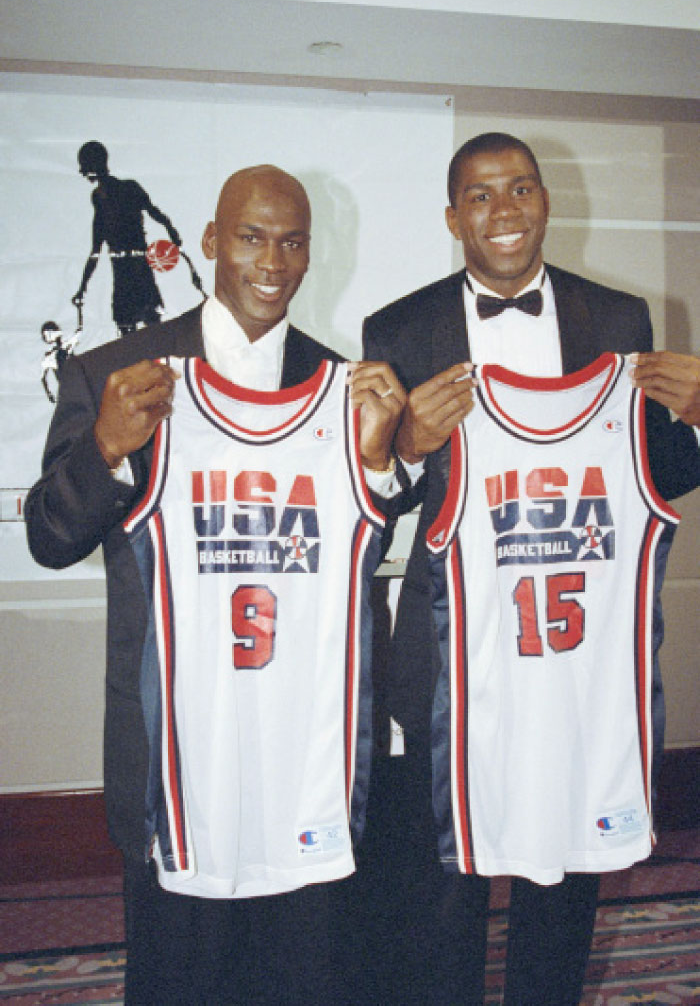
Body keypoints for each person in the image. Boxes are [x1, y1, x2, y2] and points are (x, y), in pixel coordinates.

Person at [26, 164, 403, 1006]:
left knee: (302, 980)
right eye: (251, 235)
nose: (272, 259)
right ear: (209, 243)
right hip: (175, 762)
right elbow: (49, 536)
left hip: (302, 758)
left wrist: (383, 461)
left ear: (311, 256)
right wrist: (108, 449)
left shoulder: (343, 387)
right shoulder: (113, 376)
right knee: (177, 983)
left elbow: (361, 553)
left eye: (292, 240)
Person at [362, 132, 700, 1005]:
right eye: (479, 195)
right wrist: (401, 446)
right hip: (449, 665)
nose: (503, 211)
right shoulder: (396, 329)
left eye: (519, 189)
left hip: (571, 658)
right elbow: (377, 499)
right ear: (451, 217)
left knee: (563, 882)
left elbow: (652, 470)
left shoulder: (620, 320)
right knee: (440, 899)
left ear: (547, 202)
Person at [72, 140, 185, 335]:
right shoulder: (101, 197)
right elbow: (96, 247)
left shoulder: (125, 189)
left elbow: (153, 212)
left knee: (147, 323)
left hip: (135, 266)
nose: (82, 173)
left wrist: (171, 231)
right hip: (125, 268)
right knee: (135, 325)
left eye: (85, 168)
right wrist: (83, 287)